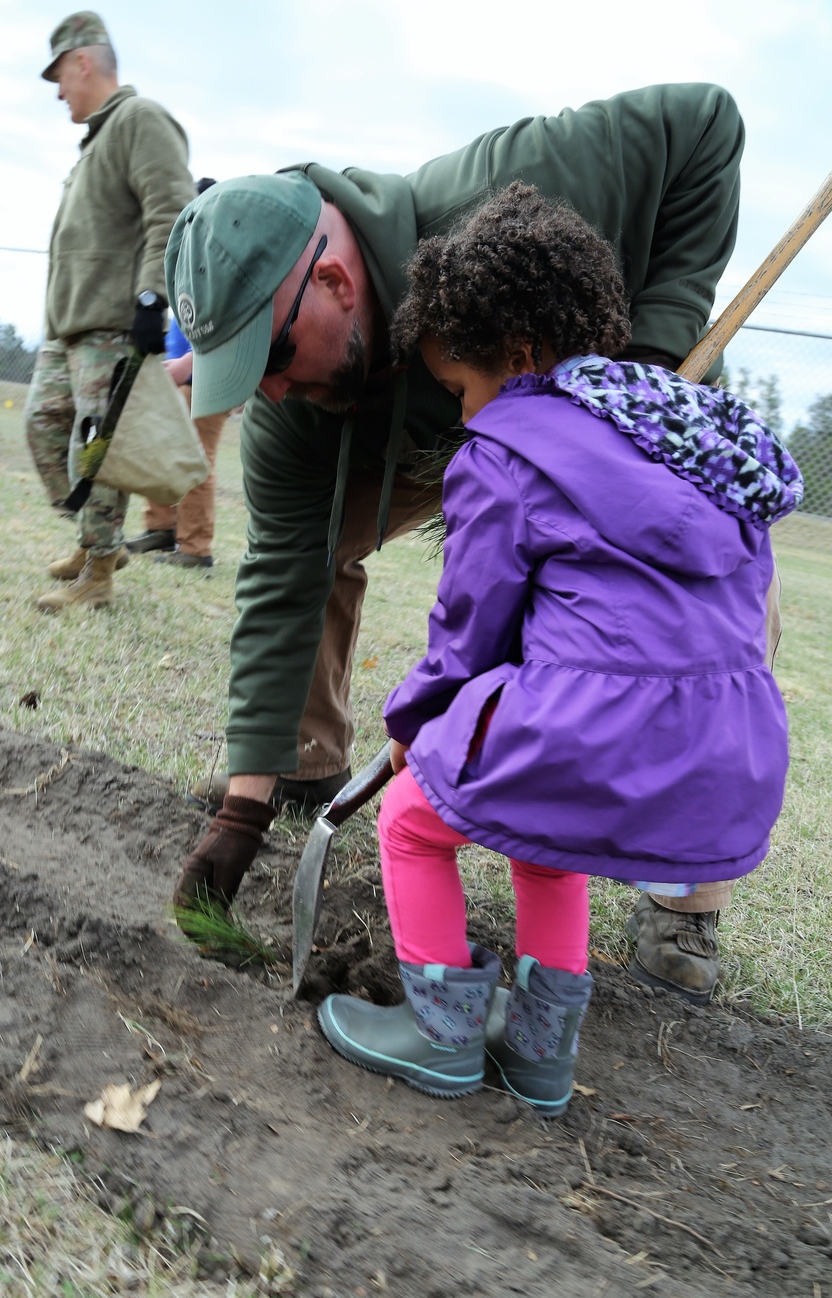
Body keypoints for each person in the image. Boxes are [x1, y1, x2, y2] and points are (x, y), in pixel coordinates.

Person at [166, 83, 755, 1001]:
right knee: (309, 554)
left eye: (271, 358)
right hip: (403, 428)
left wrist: (650, 354)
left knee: (689, 586)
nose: (267, 394)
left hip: (580, 427)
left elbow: (704, 120)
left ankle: (683, 887)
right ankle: (303, 770)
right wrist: (242, 808)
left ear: (333, 283)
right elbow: (283, 572)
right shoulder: (299, 406)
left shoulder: (523, 185)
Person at [314, 185, 797, 1117]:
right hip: (727, 742)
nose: (463, 413)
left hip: (599, 722)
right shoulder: (679, 438)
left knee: (413, 818)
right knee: (548, 837)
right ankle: (540, 1054)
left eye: (460, 388)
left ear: (521, 357)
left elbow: (470, 630)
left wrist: (414, 718)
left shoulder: (506, 450)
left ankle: (443, 1035)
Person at [25, 11, 195, 612]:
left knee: (95, 449)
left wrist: (154, 299)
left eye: (60, 77)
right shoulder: (97, 137)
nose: (59, 92)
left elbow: (170, 211)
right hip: (69, 327)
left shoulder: (140, 120)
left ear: (83, 61)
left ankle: (98, 577)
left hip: (113, 325)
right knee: (43, 425)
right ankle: (98, 541)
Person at [125, 182, 226, 568]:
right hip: (177, 373)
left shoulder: (221, 263)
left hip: (208, 377)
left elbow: (229, 329)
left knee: (195, 459)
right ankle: (162, 528)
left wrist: (187, 366)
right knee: (161, 448)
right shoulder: (188, 257)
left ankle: (195, 548)